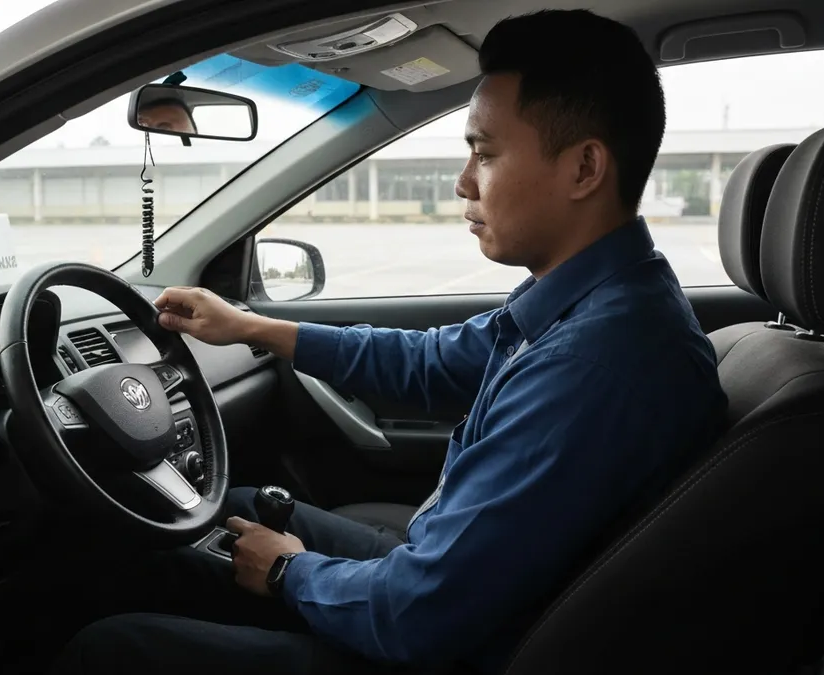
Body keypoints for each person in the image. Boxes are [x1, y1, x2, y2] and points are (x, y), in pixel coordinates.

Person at [54, 8, 727, 675]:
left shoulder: (592, 364)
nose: (464, 181)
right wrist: (250, 327)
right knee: (232, 512)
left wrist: (287, 570)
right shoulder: (604, 304)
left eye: (486, 153)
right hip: (472, 592)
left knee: (110, 650)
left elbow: (418, 615)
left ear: (584, 169)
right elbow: (430, 365)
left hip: (456, 640)